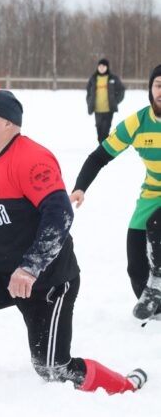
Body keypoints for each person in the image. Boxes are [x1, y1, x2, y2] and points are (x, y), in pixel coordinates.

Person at [0, 90, 146, 394]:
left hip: (47, 279)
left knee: (53, 368)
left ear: (10, 124)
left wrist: (30, 268)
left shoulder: (32, 158)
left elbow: (59, 215)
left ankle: (126, 386)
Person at [71, 64, 161, 322]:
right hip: (152, 193)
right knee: (135, 264)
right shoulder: (138, 123)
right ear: (150, 90)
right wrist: (80, 187)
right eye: (158, 85)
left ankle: (158, 279)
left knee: (157, 226)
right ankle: (157, 314)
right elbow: (100, 156)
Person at [85, 58, 126, 143]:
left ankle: (104, 149)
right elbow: (88, 92)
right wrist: (89, 102)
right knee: (99, 130)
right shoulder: (93, 78)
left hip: (108, 110)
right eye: (100, 66)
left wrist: (116, 101)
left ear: (107, 67)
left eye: (103, 66)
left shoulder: (113, 78)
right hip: (97, 109)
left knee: (105, 130)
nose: (101, 68)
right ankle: (102, 147)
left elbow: (121, 90)